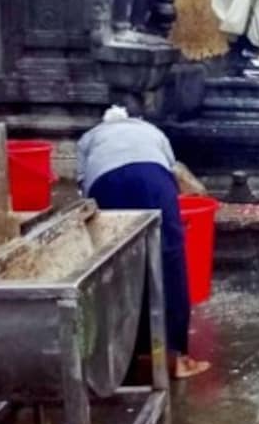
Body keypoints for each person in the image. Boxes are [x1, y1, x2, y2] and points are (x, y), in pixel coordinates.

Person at [77, 106, 210, 379]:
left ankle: (128, 354)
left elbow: (83, 187)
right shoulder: (152, 132)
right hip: (153, 179)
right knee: (169, 259)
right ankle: (176, 357)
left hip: (105, 183)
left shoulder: (89, 138)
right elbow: (174, 172)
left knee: (117, 264)